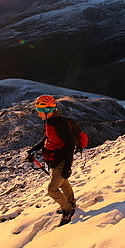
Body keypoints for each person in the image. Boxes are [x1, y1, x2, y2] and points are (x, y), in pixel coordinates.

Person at [27, 95, 78, 225]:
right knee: (63, 183)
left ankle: (67, 210)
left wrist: (67, 166)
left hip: (61, 160)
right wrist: (34, 149)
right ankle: (71, 203)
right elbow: (47, 138)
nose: (38, 114)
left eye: (39, 111)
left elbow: (70, 143)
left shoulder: (59, 124)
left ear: (47, 111)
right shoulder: (49, 122)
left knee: (52, 190)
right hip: (55, 160)